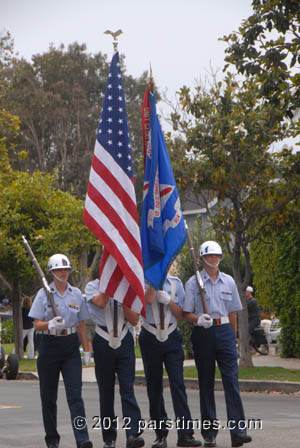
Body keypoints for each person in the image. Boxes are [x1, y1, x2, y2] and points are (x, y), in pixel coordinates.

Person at [184, 241, 252, 448]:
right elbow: (186, 312)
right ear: (202, 259)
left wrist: (233, 337)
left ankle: (238, 431)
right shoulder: (193, 282)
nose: (214, 259)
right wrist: (198, 320)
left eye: (217, 256)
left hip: (224, 332)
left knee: (231, 381)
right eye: (210, 256)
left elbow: (232, 312)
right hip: (203, 332)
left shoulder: (229, 281)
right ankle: (209, 432)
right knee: (206, 382)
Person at [29, 253, 93, 448]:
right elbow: (37, 323)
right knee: (49, 397)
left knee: (75, 396)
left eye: (66, 269)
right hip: (49, 345)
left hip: (70, 346)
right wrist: (49, 324)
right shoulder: (44, 293)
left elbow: (81, 324)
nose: (63, 273)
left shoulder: (76, 294)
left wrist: (87, 349)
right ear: (52, 272)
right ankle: (52, 440)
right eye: (59, 270)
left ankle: (82, 439)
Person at [139, 274, 202, 448]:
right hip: (150, 334)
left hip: (171, 334)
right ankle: (161, 434)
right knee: (154, 387)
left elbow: (181, 314)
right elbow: (143, 305)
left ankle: (185, 434)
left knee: (178, 385)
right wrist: (153, 284)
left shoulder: (176, 283)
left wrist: (168, 301)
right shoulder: (142, 280)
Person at [85, 278, 144, 448]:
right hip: (103, 339)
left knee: (127, 388)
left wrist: (123, 294)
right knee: (106, 392)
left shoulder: (129, 286)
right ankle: (109, 438)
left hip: (124, 338)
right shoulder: (92, 286)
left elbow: (134, 320)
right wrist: (111, 286)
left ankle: (133, 433)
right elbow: (101, 302)